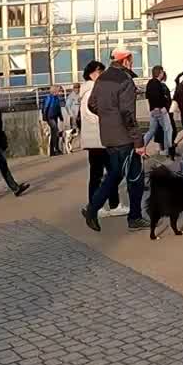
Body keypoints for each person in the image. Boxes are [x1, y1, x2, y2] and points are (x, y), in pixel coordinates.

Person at [80, 48, 146, 231]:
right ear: (125, 61)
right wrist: (138, 142)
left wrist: (108, 117)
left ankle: (134, 217)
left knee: (123, 175)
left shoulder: (101, 79)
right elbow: (128, 114)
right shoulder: (125, 81)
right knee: (125, 176)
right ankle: (94, 210)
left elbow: (92, 104)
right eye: (131, 60)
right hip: (124, 137)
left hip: (108, 136)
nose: (132, 63)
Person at [77, 60, 124, 217]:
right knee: (108, 172)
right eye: (100, 72)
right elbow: (93, 113)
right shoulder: (91, 91)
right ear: (92, 74)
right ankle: (98, 206)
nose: (103, 75)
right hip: (98, 138)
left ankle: (110, 204)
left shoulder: (89, 90)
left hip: (96, 138)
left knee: (105, 172)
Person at [143, 66, 175, 158]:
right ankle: (167, 150)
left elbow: (148, 96)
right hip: (160, 110)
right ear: (160, 73)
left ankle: (142, 146)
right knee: (168, 129)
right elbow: (158, 97)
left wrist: (152, 108)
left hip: (153, 110)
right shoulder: (157, 84)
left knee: (151, 130)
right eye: (162, 72)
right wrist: (163, 107)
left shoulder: (149, 83)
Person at [41, 85, 65, 156]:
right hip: (49, 117)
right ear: (56, 91)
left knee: (54, 133)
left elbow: (58, 108)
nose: (61, 92)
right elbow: (45, 108)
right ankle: (55, 149)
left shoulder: (56, 98)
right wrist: (44, 118)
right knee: (55, 131)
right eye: (60, 91)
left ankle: (54, 150)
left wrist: (61, 117)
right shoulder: (49, 98)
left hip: (54, 116)